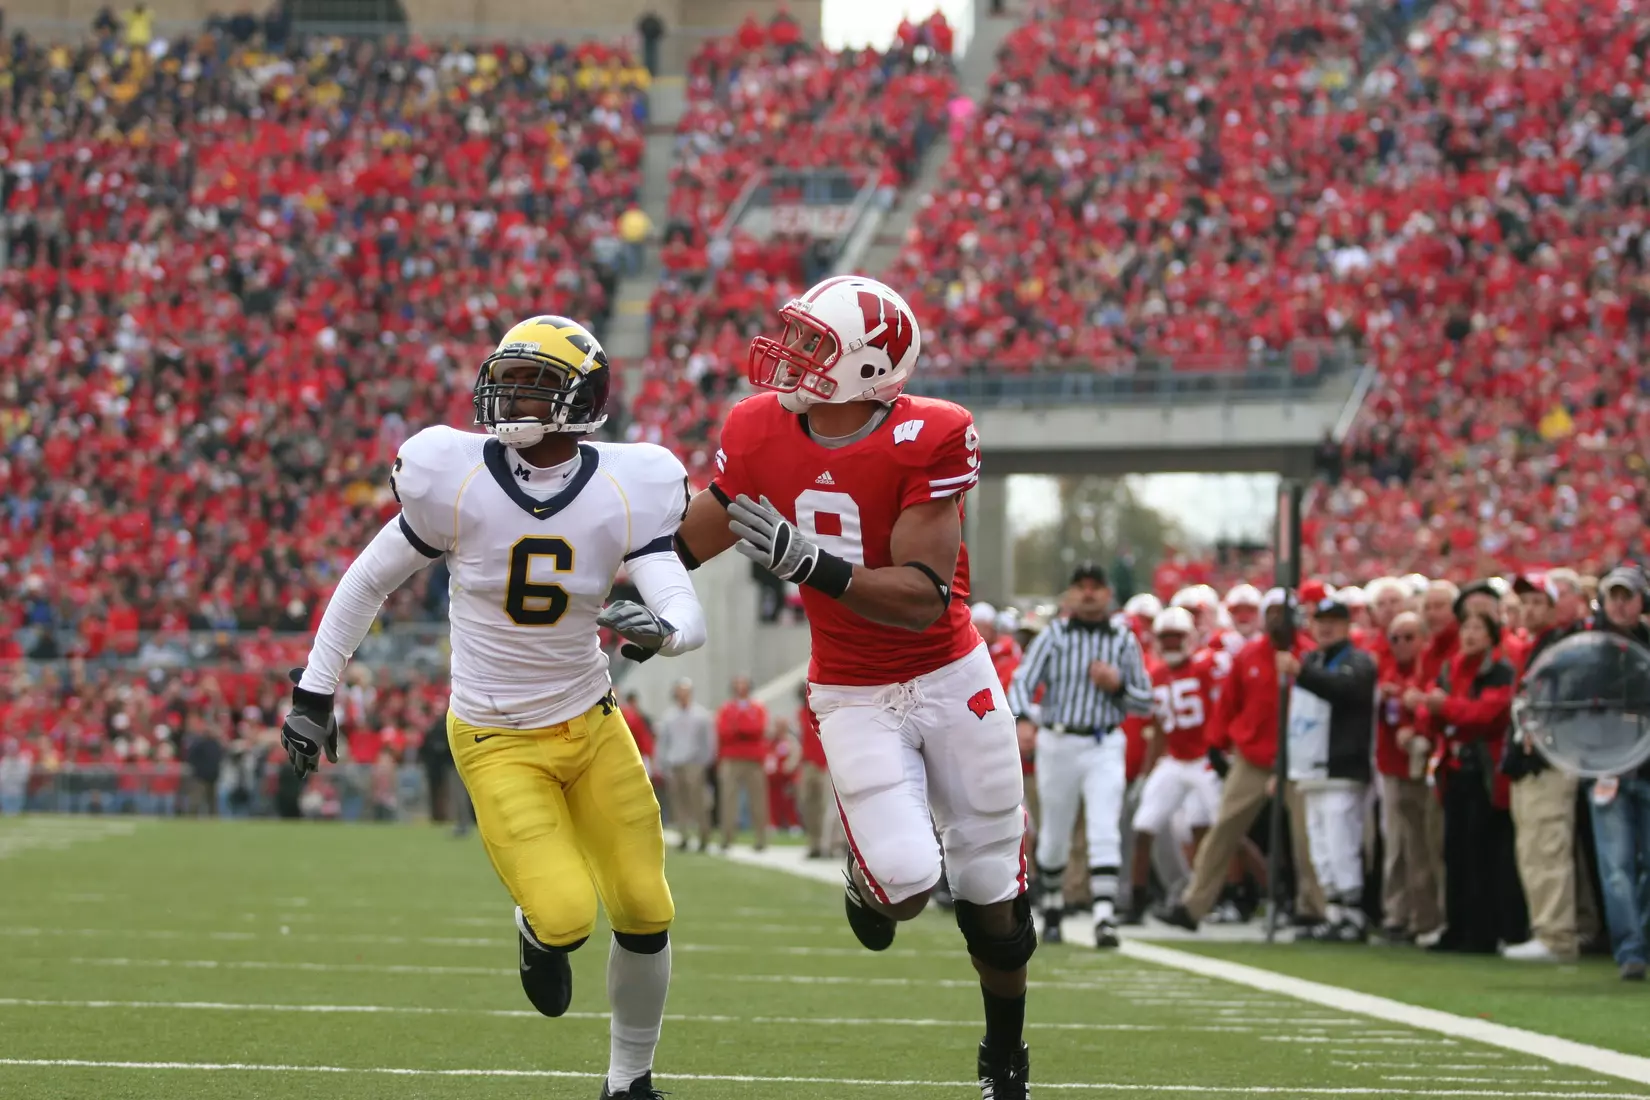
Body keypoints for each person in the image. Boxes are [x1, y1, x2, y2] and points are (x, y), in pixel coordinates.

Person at [280, 316, 705, 1100]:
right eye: (508, 377)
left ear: (583, 399)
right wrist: (314, 691)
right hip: (496, 736)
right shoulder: (459, 475)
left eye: (537, 383)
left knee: (647, 906)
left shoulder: (629, 482)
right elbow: (368, 580)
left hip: (593, 723)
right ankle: (535, 935)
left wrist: (668, 631)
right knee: (568, 916)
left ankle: (630, 1081)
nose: (512, 395)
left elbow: (683, 603)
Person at [674, 274, 1034, 1099]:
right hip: (852, 691)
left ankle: (1004, 1060)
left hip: (948, 674)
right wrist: (625, 594)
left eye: (814, 344)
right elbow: (691, 538)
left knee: (990, 890)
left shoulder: (932, 434)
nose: (790, 355)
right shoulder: (758, 427)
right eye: (795, 336)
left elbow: (920, 598)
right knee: (908, 888)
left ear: (871, 367)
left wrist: (810, 563)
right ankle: (870, 878)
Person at [1008, 562, 1154, 949]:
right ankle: (1053, 907)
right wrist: (1021, 720)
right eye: (1081, 587)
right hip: (1060, 741)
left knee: (1104, 825)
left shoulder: (1123, 640)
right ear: (1071, 594)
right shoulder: (1054, 635)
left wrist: (1117, 684)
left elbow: (1145, 700)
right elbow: (1023, 680)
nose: (1089, 593)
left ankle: (1104, 916)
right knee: (1055, 833)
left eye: (1096, 586)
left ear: (1108, 594)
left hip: (1105, 740)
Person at [1162, 588, 1322, 931]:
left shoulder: (1308, 656)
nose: (1279, 619)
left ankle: (1315, 908)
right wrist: (1216, 744)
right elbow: (1227, 704)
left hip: (1297, 759)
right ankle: (1194, 904)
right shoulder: (1249, 655)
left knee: (1307, 835)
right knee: (1224, 829)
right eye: (1273, 612)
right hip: (1252, 757)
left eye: (1285, 612)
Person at [1409, 609, 1526, 955]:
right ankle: (1457, 925)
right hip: (1454, 769)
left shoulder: (1500, 670)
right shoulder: (1452, 667)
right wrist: (1435, 709)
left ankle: (1482, 930)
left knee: (1481, 852)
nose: (1470, 634)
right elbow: (1431, 708)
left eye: (1478, 628)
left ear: (1492, 635)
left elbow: (1487, 714)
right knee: (1454, 851)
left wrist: (1443, 707)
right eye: (1467, 628)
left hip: (1484, 772)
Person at [1280, 597, 1378, 943]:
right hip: (1311, 770)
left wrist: (1302, 673)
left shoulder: (1357, 662)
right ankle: (1334, 911)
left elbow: (1345, 690)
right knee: (1320, 846)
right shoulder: (1312, 659)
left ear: (1347, 625)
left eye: (1334, 620)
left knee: (1341, 842)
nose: (1326, 627)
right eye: (1320, 620)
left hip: (1341, 767)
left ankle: (1352, 913)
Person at [1501, 571, 1586, 962]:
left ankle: (1555, 935)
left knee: (1546, 845)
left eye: (1539, 602)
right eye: (1526, 602)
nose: (1530, 609)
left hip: (1551, 759)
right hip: (1534, 759)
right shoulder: (1538, 646)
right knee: (1540, 846)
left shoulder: (1566, 646)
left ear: (1557, 606)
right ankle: (1560, 928)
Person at [1127, 607, 1220, 924]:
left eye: (1175, 637)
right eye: (1164, 638)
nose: (1169, 644)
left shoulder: (1207, 667)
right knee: (1143, 826)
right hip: (1175, 760)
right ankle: (1137, 902)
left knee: (1223, 830)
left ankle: (1240, 895)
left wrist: (1223, 755)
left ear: (1190, 638)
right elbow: (1157, 731)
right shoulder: (1156, 675)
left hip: (1206, 759)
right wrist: (1147, 772)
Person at [1585, 565, 1650, 980]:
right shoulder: (1586, 649)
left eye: (1628, 595)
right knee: (1617, 867)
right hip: (1608, 767)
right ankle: (1631, 949)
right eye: (1614, 596)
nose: (1621, 604)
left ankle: (1638, 937)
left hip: (1646, 768)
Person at [1374, 611, 1439, 944]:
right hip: (1392, 767)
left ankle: (1426, 917)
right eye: (1395, 638)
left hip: (1423, 769)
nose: (1401, 644)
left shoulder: (1428, 671)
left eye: (1409, 637)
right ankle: (1404, 915)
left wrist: (1418, 714)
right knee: (1401, 848)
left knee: (1425, 846)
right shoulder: (1387, 671)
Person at [655, 678, 715, 852]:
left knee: (699, 801)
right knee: (678, 802)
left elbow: (708, 741)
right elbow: (663, 742)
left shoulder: (701, 715)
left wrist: (704, 761)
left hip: (694, 763)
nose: (682, 696)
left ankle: (704, 835)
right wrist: (662, 763)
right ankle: (684, 836)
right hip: (675, 763)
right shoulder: (669, 716)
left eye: (685, 692)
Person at [715, 675, 770, 850]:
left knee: (758, 800)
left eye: (744, 684)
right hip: (731, 758)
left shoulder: (757, 707)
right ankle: (727, 837)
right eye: (737, 684)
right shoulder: (726, 708)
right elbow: (723, 731)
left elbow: (758, 729)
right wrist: (744, 728)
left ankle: (760, 838)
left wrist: (738, 727)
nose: (740, 687)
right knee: (728, 799)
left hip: (753, 759)